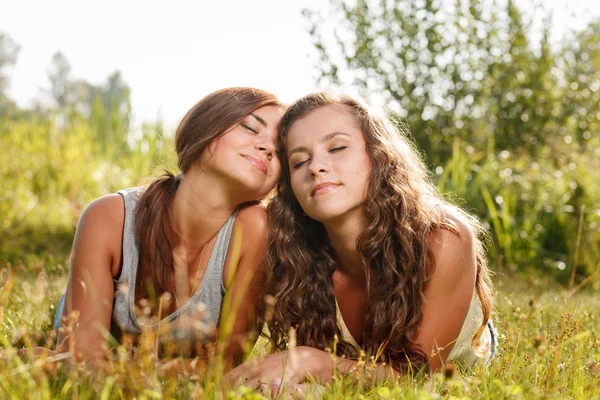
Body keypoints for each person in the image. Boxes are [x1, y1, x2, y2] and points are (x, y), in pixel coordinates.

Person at [226, 92, 497, 391]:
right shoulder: (297, 258)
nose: (316, 166)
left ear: (379, 154)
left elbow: (416, 377)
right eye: (299, 161)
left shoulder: (444, 237)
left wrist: (315, 362)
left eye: (338, 147)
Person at [49, 87, 284, 365]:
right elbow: (81, 362)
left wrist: (113, 369)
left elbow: (226, 367)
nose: (268, 147)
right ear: (205, 127)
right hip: (80, 316)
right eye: (249, 127)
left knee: (44, 361)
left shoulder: (255, 231)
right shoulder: (109, 217)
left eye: (280, 150)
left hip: (125, 366)